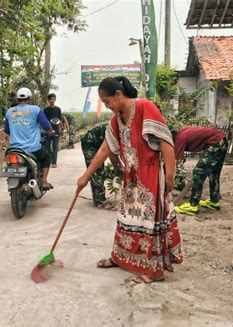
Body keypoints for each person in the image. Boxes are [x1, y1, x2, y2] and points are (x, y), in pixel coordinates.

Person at [76, 76, 183, 283]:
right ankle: (121, 257)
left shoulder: (144, 107)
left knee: (149, 223)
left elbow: (165, 141)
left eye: (106, 101)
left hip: (151, 175)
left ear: (118, 94)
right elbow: (106, 148)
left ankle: (154, 270)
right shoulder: (117, 119)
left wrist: (170, 175)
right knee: (126, 219)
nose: (106, 106)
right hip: (132, 177)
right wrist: (85, 177)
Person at [4, 87, 54, 190]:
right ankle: (44, 181)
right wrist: (51, 131)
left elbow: (7, 131)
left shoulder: (9, 112)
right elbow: (46, 125)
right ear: (30, 99)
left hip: (14, 149)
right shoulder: (35, 110)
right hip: (33, 149)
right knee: (47, 157)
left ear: (17, 99)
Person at [173, 126, 228, 216]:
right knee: (214, 173)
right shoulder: (182, 131)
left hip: (215, 143)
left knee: (198, 173)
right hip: (223, 140)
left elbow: (174, 163)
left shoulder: (179, 139)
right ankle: (214, 201)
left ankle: (193, 205)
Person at [80, 123, 119, 210]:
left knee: (101, 171)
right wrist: (118, 167)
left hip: (99, 144)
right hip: (90, 143)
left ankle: (100, 196)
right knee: (96, 171)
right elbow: (111, 153)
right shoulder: (116, 130)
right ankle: (99, 201)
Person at [43, 93, 67, 168]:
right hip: (48, 131)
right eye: (50, 99)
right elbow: (44, 120)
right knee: (47, 147)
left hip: (57, 130)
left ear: (55, 99)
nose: (52, 101)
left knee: (55, 147)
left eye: (53, 99)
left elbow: (60, 119)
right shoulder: (46, 110)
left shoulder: (58, 109)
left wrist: (62, 129)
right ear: (48, 100)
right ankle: (49, 160)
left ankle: (54, 162)